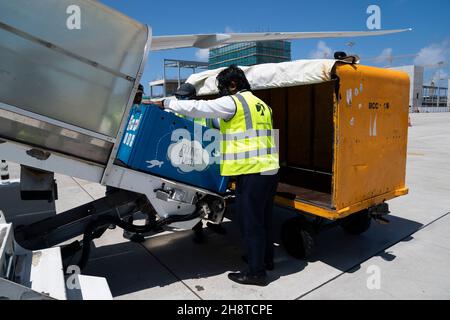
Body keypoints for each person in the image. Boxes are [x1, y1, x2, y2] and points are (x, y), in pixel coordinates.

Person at [152, 65, 280, 286]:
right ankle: (264, 259)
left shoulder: (235, 101)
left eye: (222, 87)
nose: (221, 92)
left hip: (251, 169)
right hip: (270, 168)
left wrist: (166, 103)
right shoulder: (262, 105)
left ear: (233, 85)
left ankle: (256, 272)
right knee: (264, 218)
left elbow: (201, 107)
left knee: (251, 222)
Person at [172, 83, 226, 243]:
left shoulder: (206, 113)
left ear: (193, 98)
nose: (180, 100)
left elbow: (221, 129)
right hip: (186, 161)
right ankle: (197, 229)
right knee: (191, 198)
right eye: (178, 97)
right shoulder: (177, 113)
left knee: (212, 195)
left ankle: (215, 222)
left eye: (184, 97)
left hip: (207, 161)